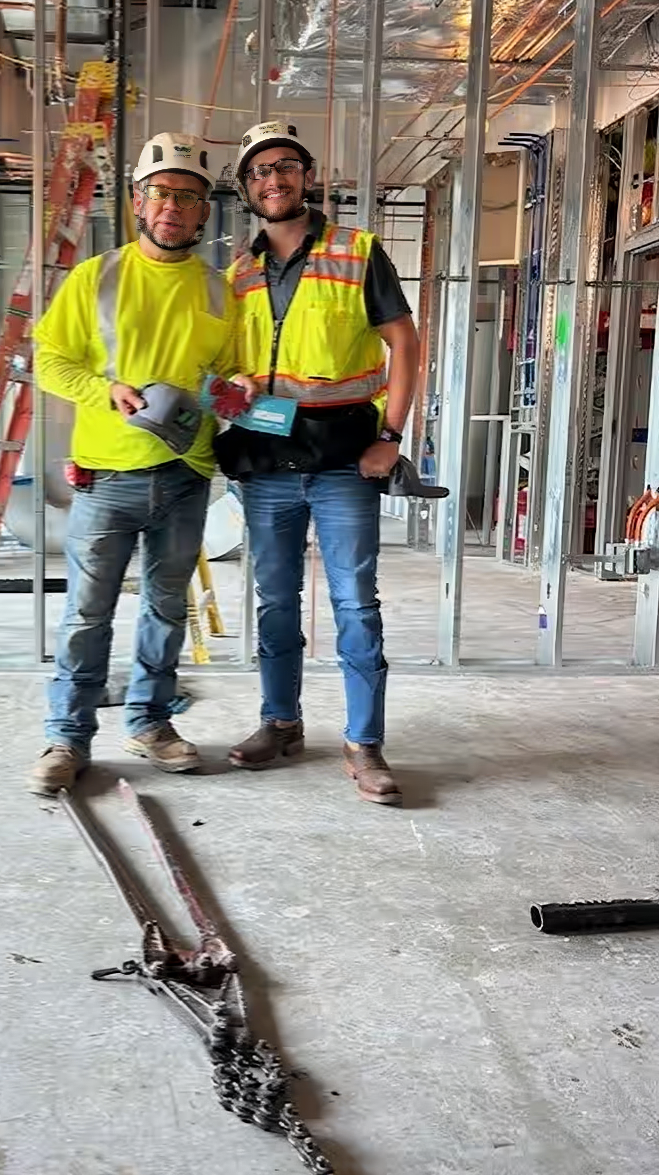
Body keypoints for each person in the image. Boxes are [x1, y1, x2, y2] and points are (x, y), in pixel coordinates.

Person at [28, 132, 255, 796]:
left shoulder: (219, 291)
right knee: (87, 616)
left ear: (204, 210)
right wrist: (105, 390)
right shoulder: (93, 278)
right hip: (106, 478)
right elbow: (49, 359)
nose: (173, 207)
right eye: (161, 193)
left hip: (186, 478)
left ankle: (151, 722)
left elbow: (230, 370)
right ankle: (68, 738)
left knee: (165, 611)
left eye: (188, 196)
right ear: (137, 200)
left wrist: (234, 390)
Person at [216, 119, 420, 805]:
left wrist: (390, 434)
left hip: (341, 460)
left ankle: (364, 744)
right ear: (246, 189)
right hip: (266, 461)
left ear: (307, 176)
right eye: (258, 172)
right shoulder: (237, 272)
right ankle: (281, 722)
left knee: (355, 604)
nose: (272, 180)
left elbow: (405, 345)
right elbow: (228, 364)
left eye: (284, 167)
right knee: (275, 601)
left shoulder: (357, 252)